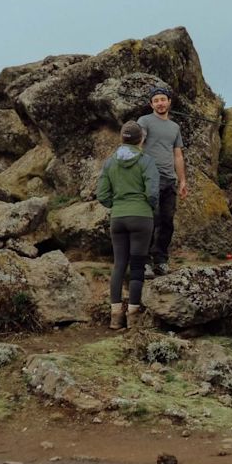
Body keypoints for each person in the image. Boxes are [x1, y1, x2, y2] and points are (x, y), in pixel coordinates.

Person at [96, 121, 159, 329]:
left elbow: (102, 194)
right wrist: (147, 207)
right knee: (138, 265)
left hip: (118, 218)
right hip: (141, 218)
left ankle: (115, 316)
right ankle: (133, 315)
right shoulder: (146, 161)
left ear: (122, 138)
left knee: (119, 264)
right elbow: (152, 192)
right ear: (141, 139)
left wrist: (116, 205)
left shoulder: (110, 162)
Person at [137, 86, 188, 279]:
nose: (160, 103)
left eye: (163, 99)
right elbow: (138, 145)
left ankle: (161, 260)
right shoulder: (145, 121)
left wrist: (182, 180)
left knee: (167, 222)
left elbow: (178, 155)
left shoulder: (174, 127)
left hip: (169, 180)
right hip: (151, 178)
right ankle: (143, 262)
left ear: (169, 102)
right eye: (156, 100)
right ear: (151, 104)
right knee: (150, 220)